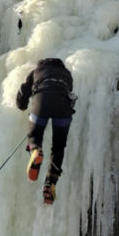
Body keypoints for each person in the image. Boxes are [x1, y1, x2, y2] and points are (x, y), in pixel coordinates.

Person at [15, 57, 75, 204]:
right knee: (59, 147)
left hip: (42, 101)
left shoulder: (37, 71)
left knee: (34, 135)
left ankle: (35, 151)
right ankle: (51, 182)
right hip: (63, 106)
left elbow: (23, 95)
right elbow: (70, 89)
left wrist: (22, 106)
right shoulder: (67, 74)